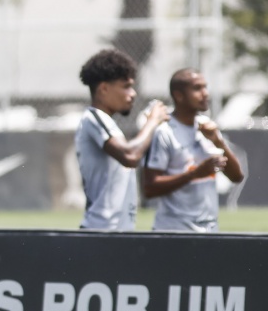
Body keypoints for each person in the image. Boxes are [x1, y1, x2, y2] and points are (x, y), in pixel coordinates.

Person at [75, 48, 170, 230]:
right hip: (101, 232)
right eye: (126, 86)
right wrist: (153, 121)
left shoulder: (107, 122)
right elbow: (130, 156)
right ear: (103, 89)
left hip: (117, 232)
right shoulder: (94, 118)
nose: (132, 93)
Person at [142, 69, 244, 231]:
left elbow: (237, 176)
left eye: (205, 87)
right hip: (174, 231)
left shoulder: (207, 126)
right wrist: (195, 174)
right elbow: (150, 188)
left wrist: (218, 142)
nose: (205, 94)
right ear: (179, 95)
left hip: (209, 229)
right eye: (197, 88)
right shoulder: (164, 131)